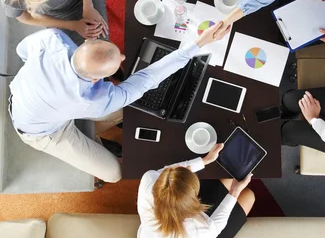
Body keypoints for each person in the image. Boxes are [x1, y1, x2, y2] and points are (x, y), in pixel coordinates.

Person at [8, 22, 227, 182]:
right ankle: (94, 138)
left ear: (87, 43)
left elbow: (22, 51)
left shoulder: (51, 38)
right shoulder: (91, 101)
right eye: (118, 63)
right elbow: (148, 80)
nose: (123, 58)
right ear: (95, 79)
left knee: (126, 106)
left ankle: (91, 130)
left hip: (31, 100)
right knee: (114, 174)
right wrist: (200, 43)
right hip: (43, 133)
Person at [137, 143, 255, 238]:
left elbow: (167, 173)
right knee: (248, 196)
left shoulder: (148, 181)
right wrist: (235, 191)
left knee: (227, 180)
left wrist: (204, 160)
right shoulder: (200, 229)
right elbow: (217, 225)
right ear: (191, 199)